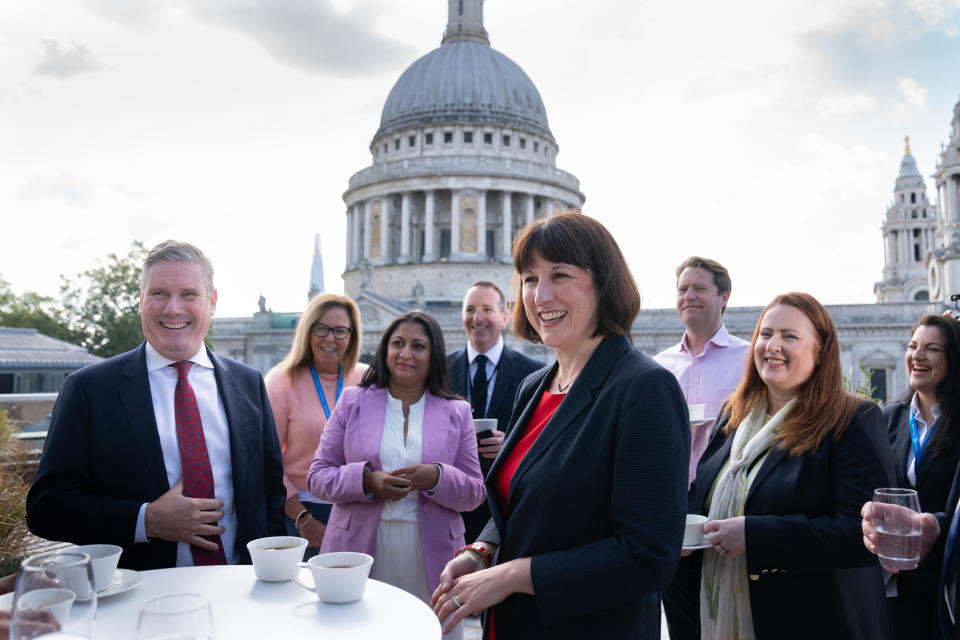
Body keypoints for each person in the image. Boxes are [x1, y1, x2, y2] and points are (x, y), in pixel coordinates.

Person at [431, 212, 690, 639]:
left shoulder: (644, 388)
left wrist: (511, 575)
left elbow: (648, 556)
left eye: (560, 275)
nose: (540, 295)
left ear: (604, 283)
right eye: (529, 279)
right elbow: (524, 497)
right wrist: (483, 550)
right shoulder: (535, 386)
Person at [26, 240, 286, 570]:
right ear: (141, 301)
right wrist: (145, 520)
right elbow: (46, 509)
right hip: (137, 596)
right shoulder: (89, 390)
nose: (173, 308)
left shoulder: (248, 383)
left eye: (189, 294)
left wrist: (271, 573)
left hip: (239, 588)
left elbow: (270, 493)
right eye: (159, 293)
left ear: (212, 302)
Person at [665, 292, 895, 640]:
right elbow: (703, 492)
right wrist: (687, 530)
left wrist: (756, 536)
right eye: (766, 333)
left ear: (820, 353)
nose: (772, 346)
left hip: (814, 621)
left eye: (790, 336)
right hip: (716, 611)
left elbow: (861, 537)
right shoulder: (734, 413)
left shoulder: (853, 419)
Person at [307, 311, 485, 640]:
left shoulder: (457, 411)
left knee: (431, 632)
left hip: (431, 553)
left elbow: (474, 492)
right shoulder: (352, 401)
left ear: (433, 356)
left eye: (418, 346)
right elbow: (318, 476)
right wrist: (366, 481)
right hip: (359, 549)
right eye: (398, 343)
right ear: (385, 349)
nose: (405, 353)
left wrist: (435, 477)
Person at [861, 314, 960, 638]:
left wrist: (938, 525)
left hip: (946, 583)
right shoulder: (887, 418)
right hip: (891, 585)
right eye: (912, 345)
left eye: (932, 348)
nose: (917, 355)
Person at [265, 293, 368, 557]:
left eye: (340, 330)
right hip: (305, 514)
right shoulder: (281, 381)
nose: (330, 338)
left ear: (352, 335)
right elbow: (267, 460)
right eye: (321, 328)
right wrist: (303, 518)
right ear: (307, 331)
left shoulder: (368, 379)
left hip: (361, 512)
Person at [447, 281, 543, 542]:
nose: (477, 318)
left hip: (507, 508)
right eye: (470, 310)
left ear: (504, 317)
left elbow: (545, 442)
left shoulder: (534, 373)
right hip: (449, 510)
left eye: (487, 309)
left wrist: (512, 445)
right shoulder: (440, 371)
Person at [654, 256, 750, 486]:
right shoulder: (657, 366)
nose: (688, 296)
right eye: (683, 289)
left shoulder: (750, 361)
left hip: (726, 491)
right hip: (666, 487)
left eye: (699, 288)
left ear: (724, 297)